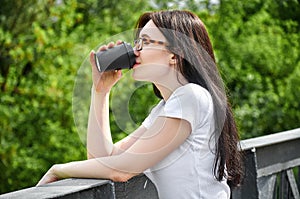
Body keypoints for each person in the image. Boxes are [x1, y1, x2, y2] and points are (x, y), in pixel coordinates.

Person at [37, 10, 243, 198]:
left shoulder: (191, 97)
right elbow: (103, 158)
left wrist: (59, 169)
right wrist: (100, 91)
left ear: (175, 53)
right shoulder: (164, 108)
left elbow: (121, 170)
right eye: (136, 43)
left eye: (144, 42)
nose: (135, 51)